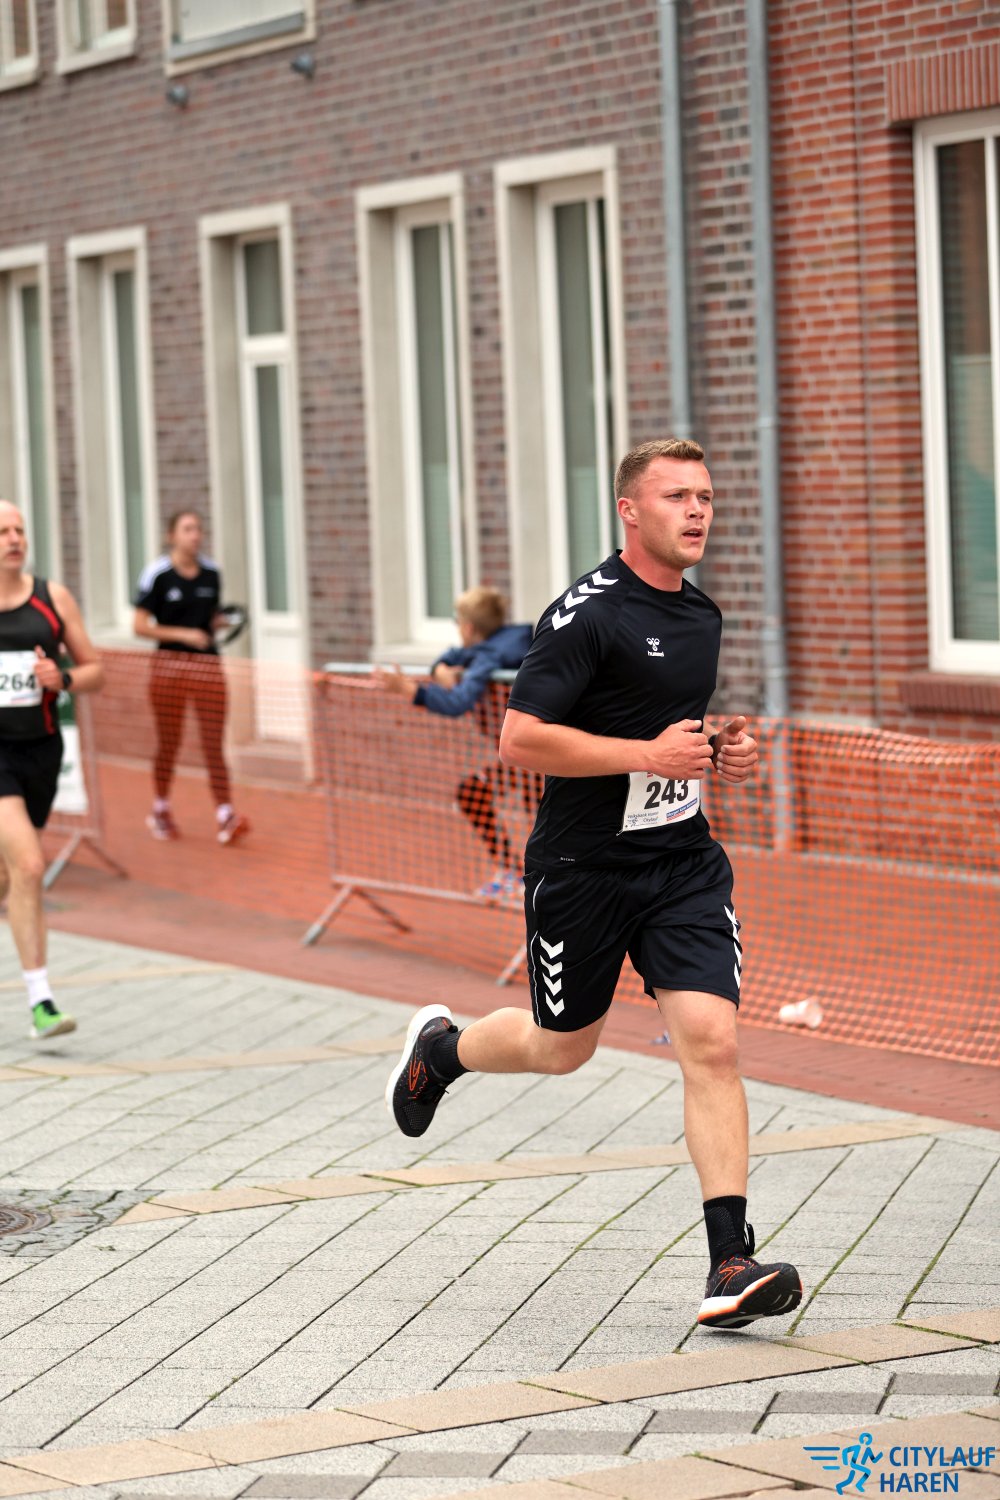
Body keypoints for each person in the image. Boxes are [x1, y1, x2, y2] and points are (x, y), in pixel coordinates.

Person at [386, 439, 802, 1332]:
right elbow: (521, 739)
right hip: (583, 871)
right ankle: (441, 1053)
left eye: (705, 495)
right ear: (629, 510)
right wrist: (646, 755)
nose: (697, 511)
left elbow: (668, 735)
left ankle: (730, 1261)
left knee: (712, 1041)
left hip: (680, 863)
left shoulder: (701, 615)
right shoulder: (585, 616)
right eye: (676, 496)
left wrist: (716, 751)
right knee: (561, 1047)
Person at [0, 500, 104, 1040]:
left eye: (19, 529)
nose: (14, 539)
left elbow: (95, 671)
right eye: (2, 531)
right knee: (30, 866)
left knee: (9, 876)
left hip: (40, 750)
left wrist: (60, 678)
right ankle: (42, 1002)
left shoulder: (52, 598)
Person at [374, 587, 536, 896]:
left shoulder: (490, 656)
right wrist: (439, 668)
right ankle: (513, 872)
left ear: (468, 627)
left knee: (542, 817)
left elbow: (458, 702)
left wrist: (410, 690)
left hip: (540, 758)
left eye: (457, 622)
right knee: (472, 793)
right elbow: (455, 655)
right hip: (520, 757)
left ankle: (547, 886)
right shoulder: (498, 645)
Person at [133, 510, 249, 846]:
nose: (195, 535)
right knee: (170, 741)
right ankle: (160, 807)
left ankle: (225, 813)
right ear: (171, 536)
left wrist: (218, 624)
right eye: (187, 529)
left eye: (198, 529)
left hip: (207, 667)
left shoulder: (212, 573)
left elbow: (207, 619)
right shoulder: (157, 574)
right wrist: (184, 635)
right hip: (168, 668)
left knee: (214, 742)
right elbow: (140, 626)